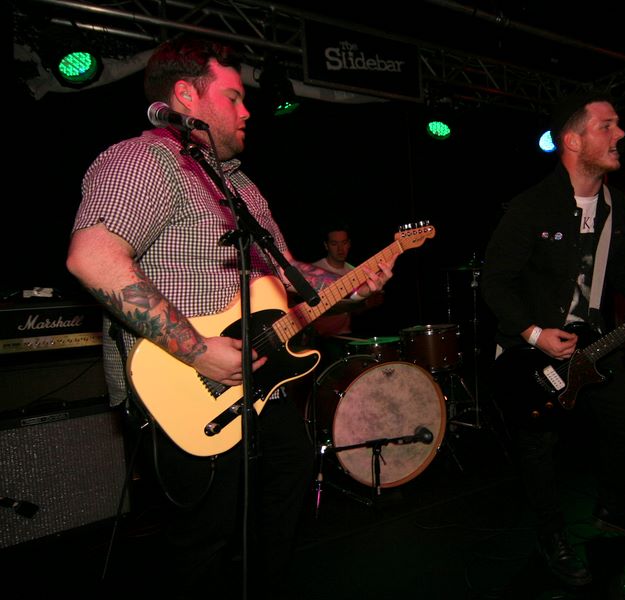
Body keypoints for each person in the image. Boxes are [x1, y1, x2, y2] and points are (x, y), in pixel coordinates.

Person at [65, 36, 394, 599]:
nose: (247, 111)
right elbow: (92, 258)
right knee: (206, 533)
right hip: (183, 384)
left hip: (258, 377)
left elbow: (288, 276)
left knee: (288, 478)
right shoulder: (143, 160)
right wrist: (196, 350)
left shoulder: (236, 183)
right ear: (187, 96)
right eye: (234, 97)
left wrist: (350, 285)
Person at [481, 91, 625, 587]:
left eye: (619, 125)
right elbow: (495, 282)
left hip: (596, 345)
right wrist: (534, 333)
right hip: (531, 352)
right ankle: (551, 535)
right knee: (539, 446)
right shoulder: (531, 206)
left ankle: (613, 509)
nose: (620, 134)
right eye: (608, 126)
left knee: (624, 421)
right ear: (573, 141)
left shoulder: (616, 207)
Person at [308, 224, 385, 366]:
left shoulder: (355, 272)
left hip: (345, 337)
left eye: (343, 243)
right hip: (319, 340)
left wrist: (370, 302)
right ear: (326, 245)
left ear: (349, 244)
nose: (340, 249)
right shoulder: (313, 271)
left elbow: (355, 310)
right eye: (334, 244)